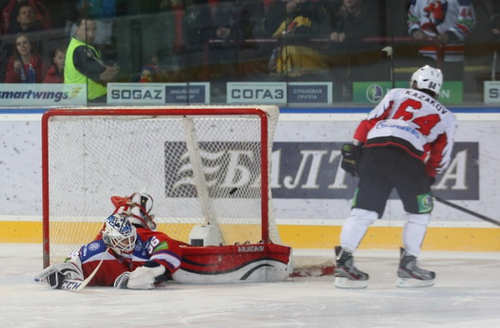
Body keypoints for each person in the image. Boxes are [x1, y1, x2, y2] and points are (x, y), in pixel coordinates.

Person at [334, 65, 456, 289]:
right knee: (419, 214)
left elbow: (369, 121)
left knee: (363, 211)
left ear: (414, 82)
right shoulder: (446, 116)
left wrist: (354, 148)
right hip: (409, 160)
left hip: (374, 152)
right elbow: (440, 155)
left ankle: (344, 262)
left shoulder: (397, 93)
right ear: (437, 90)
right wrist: (428, 177)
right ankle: (408, 266)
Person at [35, 192, 184, 289]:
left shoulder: (145, 239)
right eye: (123, 240)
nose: (129, 243)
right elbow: (75, 261)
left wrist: (151, 270)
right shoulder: (97, 249)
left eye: (131, 237)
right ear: (109, 240)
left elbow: (167, 246)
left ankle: (134, 209)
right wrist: (67, 271)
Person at [408, 0, 475, 80]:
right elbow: (412, 18)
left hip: (452, 56)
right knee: (425, 87)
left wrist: (450, 35)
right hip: (425, 55)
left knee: (451, 88)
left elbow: (467, 21)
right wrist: (415, 30)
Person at [64, 15, 119, 103]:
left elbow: (109, 62)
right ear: (77, 30)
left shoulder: (89, 46)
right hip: (86, 101)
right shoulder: (79, 49)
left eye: (94, 29)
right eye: (87, 30)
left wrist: (115, 68)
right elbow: (101, 73)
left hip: (90, 99)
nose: (91, 34)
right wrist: (115, 70)